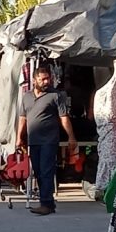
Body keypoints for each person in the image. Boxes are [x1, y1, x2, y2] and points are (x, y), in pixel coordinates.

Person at [17, 65, 77, 215]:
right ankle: (48, 203)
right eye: (42, 79)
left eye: (47, 79)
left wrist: (71, 137)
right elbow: (22, 119)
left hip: (49, 140)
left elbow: (64, 118)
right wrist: (19, 137)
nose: (46, 82)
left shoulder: (56, 95)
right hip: (33, 140)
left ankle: (46, 203)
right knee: (38, 171)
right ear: (34, 80)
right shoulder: (27, 97)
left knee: (46, 171)